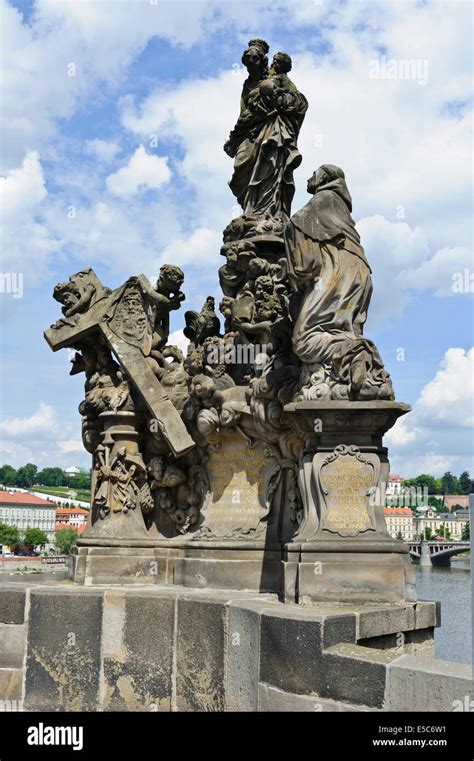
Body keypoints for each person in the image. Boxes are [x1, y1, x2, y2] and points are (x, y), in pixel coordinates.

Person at [285, 164, 394, 400]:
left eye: (315, 173)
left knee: (304, 339)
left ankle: (355, 354)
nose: (309, 178)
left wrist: (290, 274)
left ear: (325, 178)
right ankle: (360, 364)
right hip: (360, 270)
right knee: (343, 330)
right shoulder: (339, 205)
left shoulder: (321, 200)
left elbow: (306, 265)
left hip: (338, 273)